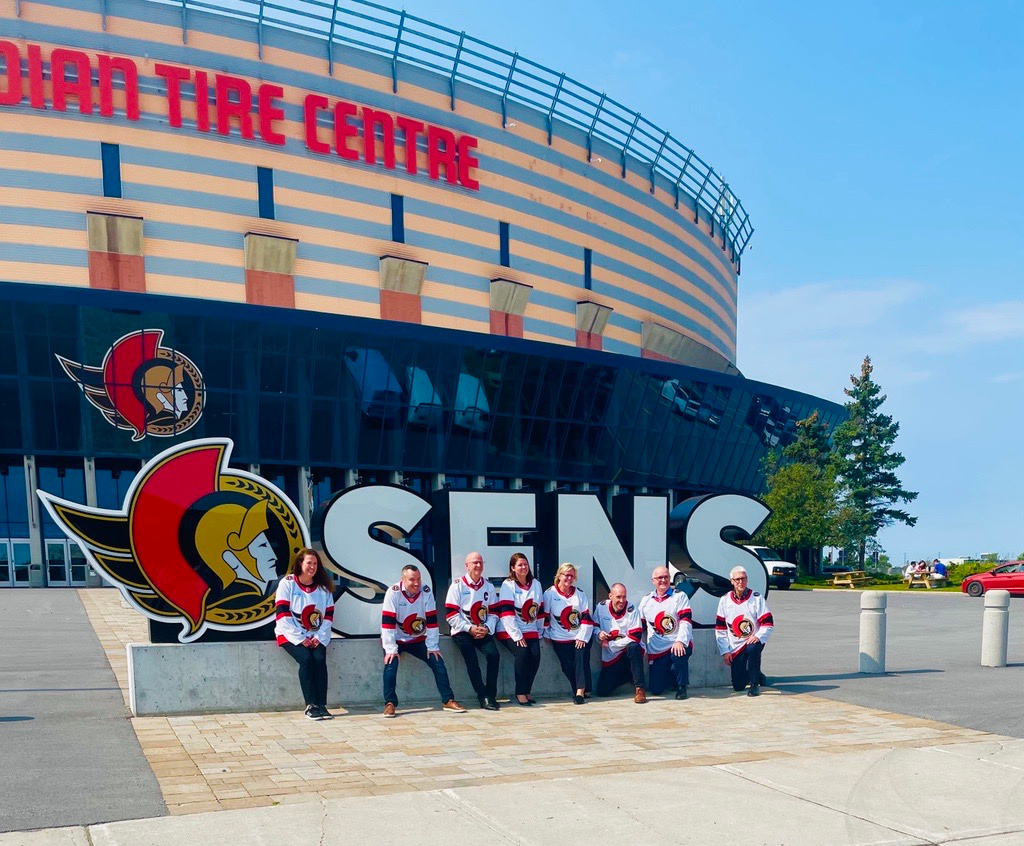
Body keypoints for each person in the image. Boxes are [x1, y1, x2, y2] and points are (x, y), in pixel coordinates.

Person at [381, 563, 467, 718]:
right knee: (390, 665)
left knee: (438, 662)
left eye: (419, 579)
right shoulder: (393, 593)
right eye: (412, 580)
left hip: (418, 639)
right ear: (403, 580)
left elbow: (432, 622)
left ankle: (448, 700)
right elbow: (387, 624)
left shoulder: (426, 591)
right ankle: (390, 703)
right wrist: (391, 649)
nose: (416, 583)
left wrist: (432, 646)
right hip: (397, 639)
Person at [274, 548, 335, 720]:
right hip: (289, 635)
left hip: (316, 636)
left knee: (320, 659)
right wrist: (300, 638)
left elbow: (329, 616)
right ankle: (310, 705)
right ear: (300, 563)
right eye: (309, 562)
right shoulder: (288, 584)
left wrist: (318, 637)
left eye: (315, 563)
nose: (312, 567)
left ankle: (322, 705)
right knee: (306, 660)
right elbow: (283, 615)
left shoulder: (323, 588)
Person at [445, 551, 501, 710]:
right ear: (466, 565)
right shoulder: (457, 585)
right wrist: (469, 628)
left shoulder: (488, 586)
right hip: (462, 631)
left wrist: (487, 628)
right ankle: (482, 696)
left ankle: (491, 694)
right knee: (472, 662)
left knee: (494, 655)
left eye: (480, 562)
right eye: (474, 562)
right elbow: (450, 615)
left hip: (483, 630)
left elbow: (494, 612)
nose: (478, 565)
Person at [715, 565, 773, 697]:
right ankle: (755, 673)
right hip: (735, 647)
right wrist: (725, 651)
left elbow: (768, 624)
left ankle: (754, 684)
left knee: (753, 648)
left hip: (751, 642)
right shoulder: (724, 600)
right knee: (738, 686)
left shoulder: (757, 598)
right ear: (732, 581)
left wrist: (758, 636)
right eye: (737, 579)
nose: (741, 582)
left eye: (744, 579)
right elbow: (720, 628)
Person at [496, 552, 544, 705]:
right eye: (519, 565)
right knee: (522, 653)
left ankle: (527, 690)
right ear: (513, 568)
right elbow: (506, 614)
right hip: (508, 630)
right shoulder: (508, 585)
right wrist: (517, 636)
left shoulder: (536, 584)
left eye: (525, 564)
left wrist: (539, 631)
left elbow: (540, 610)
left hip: (530, 629)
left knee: (535, 655)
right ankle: (520, 692)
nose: (523, 567)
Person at [542, 562, 593, 704]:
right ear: (559, 575)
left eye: (572, 576)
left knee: (580, 660)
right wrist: (546, 633)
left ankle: (579, 692)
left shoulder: (580, 594)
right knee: (567, 666)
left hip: (579, 636)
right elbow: (545, 616)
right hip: (559, 638)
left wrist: (582, 637)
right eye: (566, 575)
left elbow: (587, 618)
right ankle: (585, 687)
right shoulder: (549, 593)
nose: (569, 579)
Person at [638, 565, 693, 699]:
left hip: (677, 644)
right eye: (659, 578)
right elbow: (638, 624)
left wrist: (680, 641)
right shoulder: (646, 600)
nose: (663, 580)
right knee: (655, 690)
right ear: (653, 581)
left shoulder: (679, 596)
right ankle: (673, 676)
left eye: (666, 577)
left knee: (678, 653)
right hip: (658, 650)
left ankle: (682, 686)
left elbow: (686, 621)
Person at [593, 582, 646, 703]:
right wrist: (599, 634)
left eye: (624, 597)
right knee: (602, 691)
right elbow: (594, 626)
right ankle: (629, 674)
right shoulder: (601, 607)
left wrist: (611, 645)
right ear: (610, 596)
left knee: (633, 647)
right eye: (618, 597)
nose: (622, 601)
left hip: (629, 653)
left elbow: (635, 637)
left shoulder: (632, 610)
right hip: (612, 657)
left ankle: (640, 688)